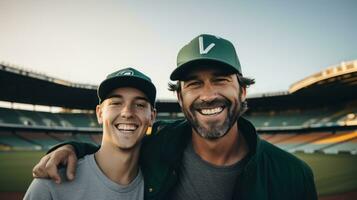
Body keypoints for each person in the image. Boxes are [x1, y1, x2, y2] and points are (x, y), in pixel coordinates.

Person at [32, 34, 318, 200]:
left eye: (220, 80)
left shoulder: (293, 176)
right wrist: (70, 148)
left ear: (242, 91)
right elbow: (116, 146)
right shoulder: (161, 143)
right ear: (180, 98)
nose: (207, 95)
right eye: (194, 84)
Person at [24, 67, 157, 200]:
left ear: (152, 117)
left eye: (140, 105)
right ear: (99, 113)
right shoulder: (50, 186)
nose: (127, 113)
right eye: (116, 103)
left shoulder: (160, 186)